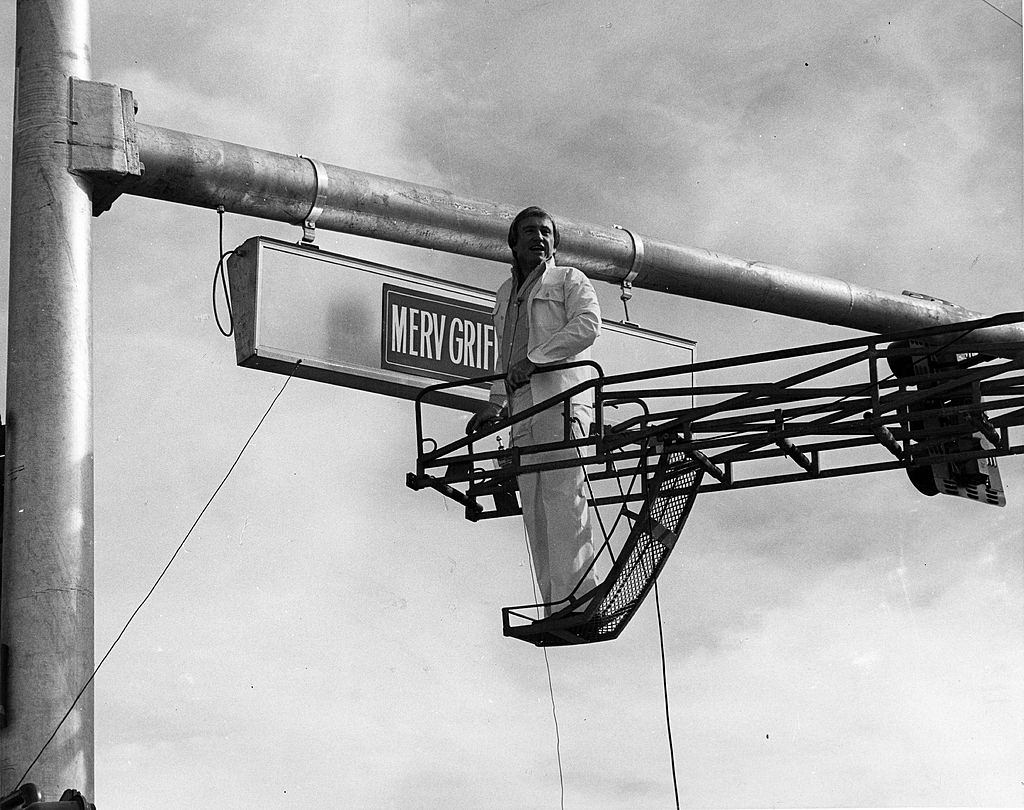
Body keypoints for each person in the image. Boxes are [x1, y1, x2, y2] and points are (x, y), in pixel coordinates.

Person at [466, 206, 602, 613]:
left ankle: (582, 600)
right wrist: (495, 404)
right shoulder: (505, 294)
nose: (538, 238)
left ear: (554, 242)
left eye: (545, 232)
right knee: (536, 503)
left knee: (563, 496)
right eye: (529, 232)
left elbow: (588, 325)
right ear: (514, 242)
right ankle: (557, 607)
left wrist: (537, 360)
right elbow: (506, 354)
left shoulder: (569, 280)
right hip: (524, 408)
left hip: (560, 402)